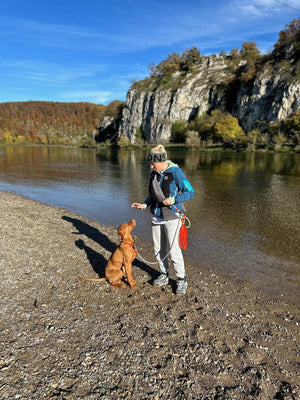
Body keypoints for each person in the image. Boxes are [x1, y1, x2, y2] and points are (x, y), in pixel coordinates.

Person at [131, 144, 194, 295]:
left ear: (161, 160)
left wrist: (173, 200)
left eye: (153, 163)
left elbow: (190, 192)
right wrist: (145, 204)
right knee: (158, 248)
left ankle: (181, 279)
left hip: (172, 217)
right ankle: (164, 274)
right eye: (150, 163)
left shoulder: (175, 172)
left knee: (174, 250)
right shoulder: (154, 173)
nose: (151, 166)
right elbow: (152, 194)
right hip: (155, 216)